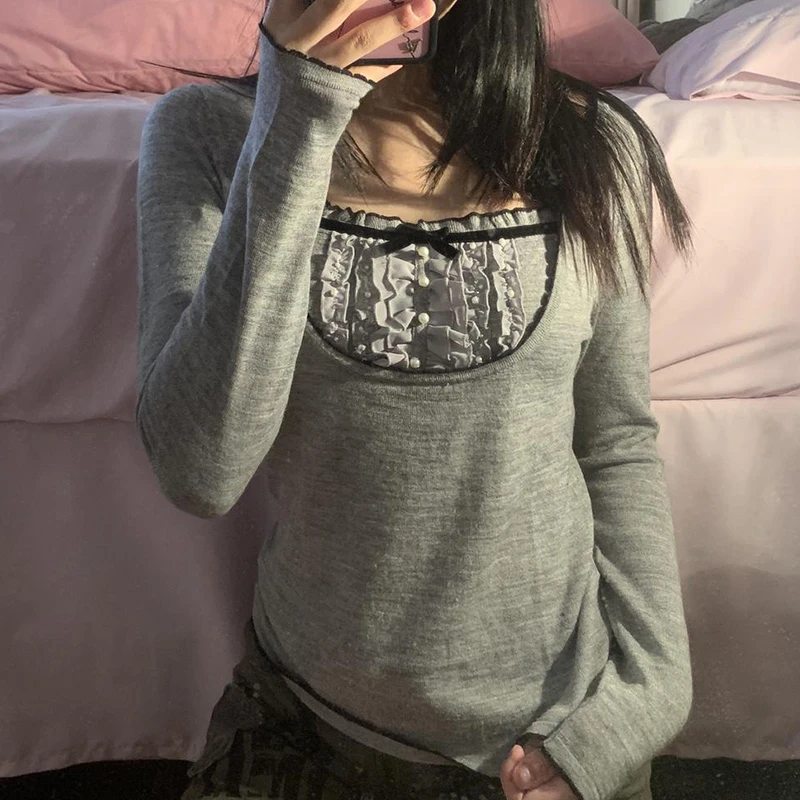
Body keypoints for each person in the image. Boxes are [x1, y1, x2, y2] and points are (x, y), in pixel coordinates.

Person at [135, 0, 695, 797]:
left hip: (557, 739)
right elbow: (201, 471)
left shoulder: (591, 141)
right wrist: (298, 112)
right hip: (304, 725)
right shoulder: (204, 134)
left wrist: (653, 693)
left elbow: (616, 441)